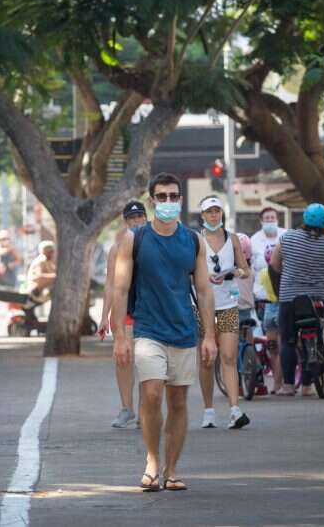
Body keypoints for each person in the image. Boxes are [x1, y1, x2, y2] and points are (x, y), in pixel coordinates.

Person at [111, 173, 217, 492]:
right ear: (152, 201)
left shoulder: (194, 240)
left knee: (179, 402)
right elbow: (119, 287)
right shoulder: (135, 238)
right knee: (153, 393)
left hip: (184, 331)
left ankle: (171, 470)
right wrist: (119, 335)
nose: (168, 202)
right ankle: (152, 460)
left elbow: (203, 290)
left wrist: (209, 335)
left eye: (174, 196)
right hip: (147, 330)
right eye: (162, 196)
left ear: (180, 200)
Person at [268, 203, 324, 396]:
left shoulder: (287, 237)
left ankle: (288, 386)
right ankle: (307, 386)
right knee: (314, 336)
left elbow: (274, 263)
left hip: (290, 298)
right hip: (319, 299)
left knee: (288, 341)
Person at [195, 195, 251, 430]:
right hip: (204, 306)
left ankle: (235, 410)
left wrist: (234, 273)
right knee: (208, 359)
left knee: (228, 356)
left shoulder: (233, 238)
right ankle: (208, 411)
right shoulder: (196, 239)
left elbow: (245, 270)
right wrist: (202, 276)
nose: (214, 215)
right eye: (209, 212)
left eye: (217, 211)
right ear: (203, 215)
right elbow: (188, 270)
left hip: (228, 303)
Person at [98, 200, 148, 429]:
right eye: (132, 218)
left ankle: (147, 411)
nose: (137, 221)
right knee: (124, 359)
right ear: (126, 222)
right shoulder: (117, 249)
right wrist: (103, 316)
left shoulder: (155, 244)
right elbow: (110, 284)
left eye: (140, 217)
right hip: (125, 310)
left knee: (148, 362)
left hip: (150, 310)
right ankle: (127, 408)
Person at [250, 206, 286, 392]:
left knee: (283, 343)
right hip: (263, 300)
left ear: (277, 219)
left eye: (273, 217)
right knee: (270, 344)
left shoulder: (287, 236)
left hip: (285, 298)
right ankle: (275, 382)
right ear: (261, 220)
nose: (270, 220)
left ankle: (285, 382)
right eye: (267, 218)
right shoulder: (253, 241)